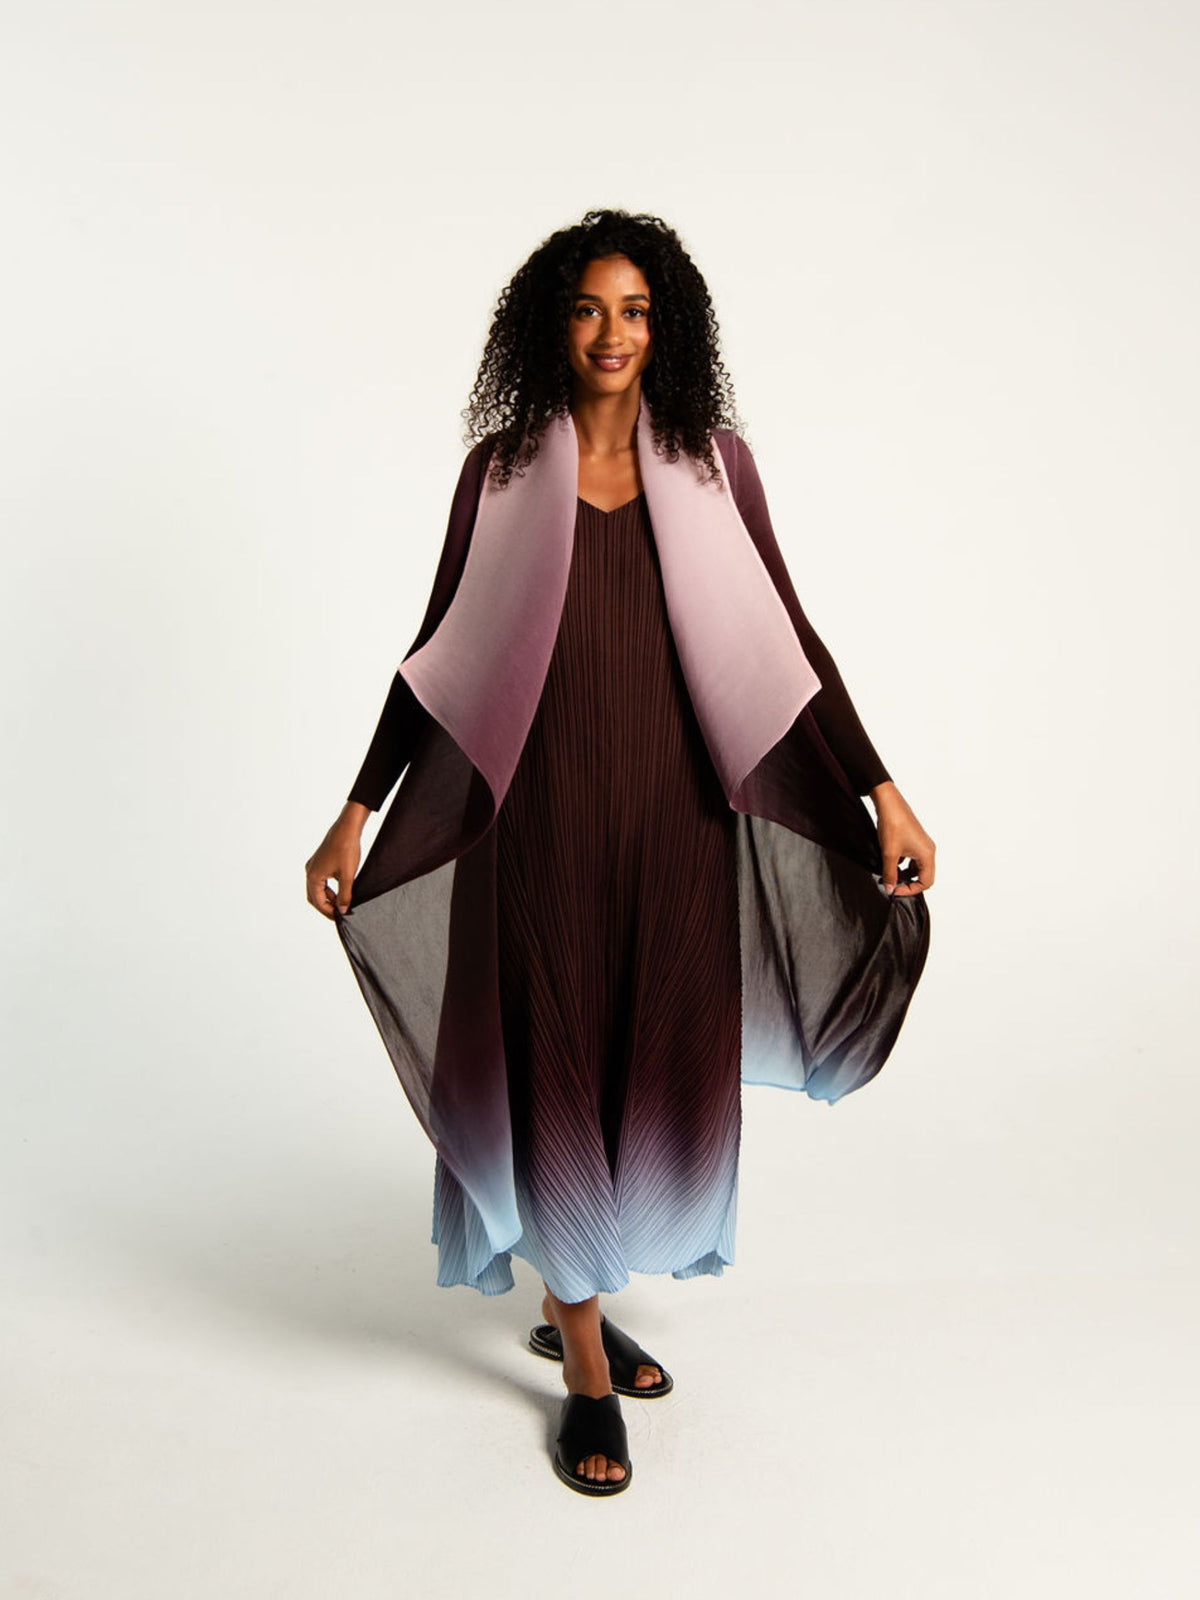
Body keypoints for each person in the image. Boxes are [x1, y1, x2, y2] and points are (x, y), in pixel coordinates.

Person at [305, 207, 935, 1497]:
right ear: (553, 324)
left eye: (635, 311)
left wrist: (882, 790)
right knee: (552, 1061)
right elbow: (438, 654)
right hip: (536, 823)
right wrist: (358, 809)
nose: (611, 333)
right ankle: (586, 1363)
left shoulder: (713, 469)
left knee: (648, 1065)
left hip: (678, 822)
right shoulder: (499, 474)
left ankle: (574, 1290)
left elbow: (790, 644)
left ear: (666, 328)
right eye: (589, 308)